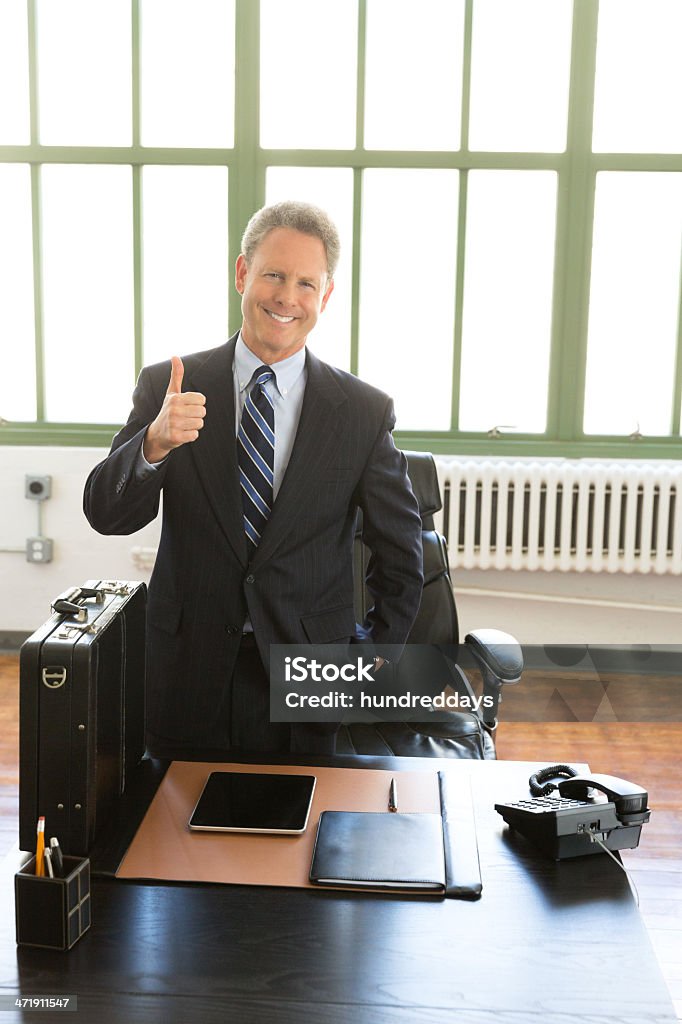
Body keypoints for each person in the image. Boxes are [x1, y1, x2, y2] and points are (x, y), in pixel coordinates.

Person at [83, 200, 423, 756]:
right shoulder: (169, 385)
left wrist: (366, 661)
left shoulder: (361, 411)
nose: (287, 297)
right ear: (242, 273)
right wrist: (154, 443)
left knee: (302, 838)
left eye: (306, 283)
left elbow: (403, 557)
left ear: (326, 296)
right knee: (178, 836)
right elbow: (105, 514)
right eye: (273, 275)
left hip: (309, 675)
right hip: (186, 668)